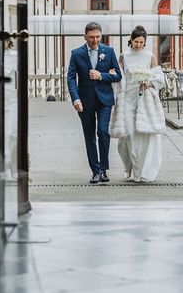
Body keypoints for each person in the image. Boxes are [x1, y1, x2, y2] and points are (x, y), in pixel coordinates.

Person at [67, 22, 122, 183]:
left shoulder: (109, 51)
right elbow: (71, 78)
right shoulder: (76, 53)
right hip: (84, 101)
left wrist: (101, 76)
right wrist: (75, 98)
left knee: (103, 132)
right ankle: (95, 171)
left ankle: (104, 170)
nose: (95, 40)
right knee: (89, 136)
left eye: (98, 36)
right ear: (85, 37)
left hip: (105, 100)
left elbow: (118, 75)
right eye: (91, 37)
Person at [115, 26, 165, 183]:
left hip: (143, 100)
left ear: (145, 42)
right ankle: (127, 165)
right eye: (136, 41)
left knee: (140, 137)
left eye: (141, 42)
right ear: (131, 40)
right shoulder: (124, 56)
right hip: (127, 99)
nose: (138, 45)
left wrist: (148, 83)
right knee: (127, 137)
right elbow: (119, 77)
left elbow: (159, 78)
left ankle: (139, 171)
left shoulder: (150, 56)